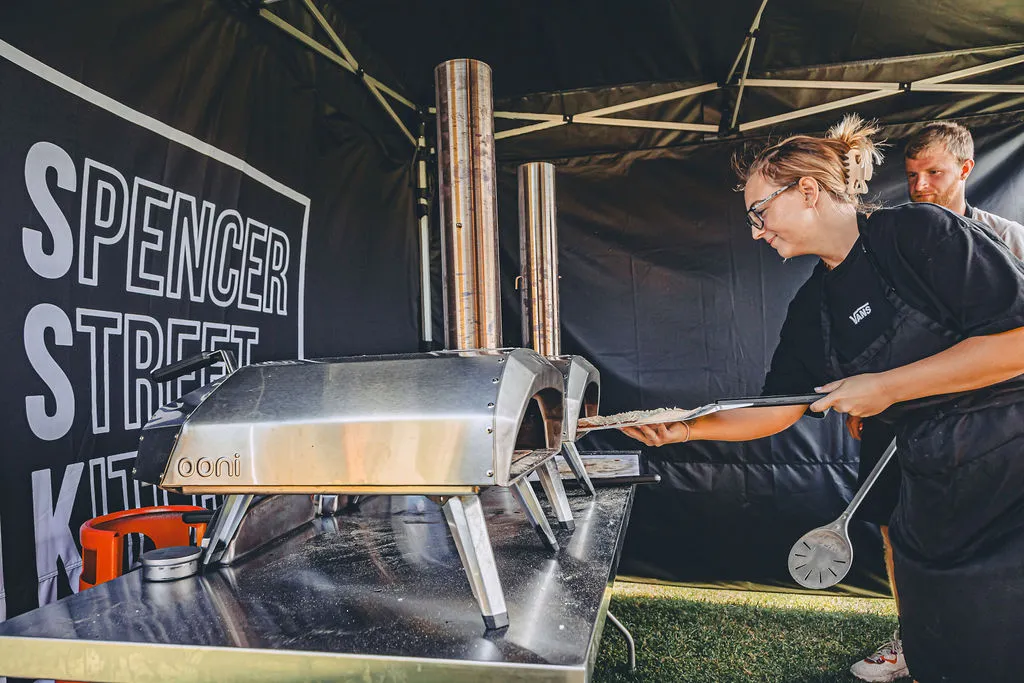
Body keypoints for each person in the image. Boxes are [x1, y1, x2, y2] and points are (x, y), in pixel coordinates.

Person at [622, 115, 1024, 683]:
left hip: (1010, 478)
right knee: (947, 649)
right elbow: (778, 409)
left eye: (759, 212)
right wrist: (686, 427)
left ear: (807, 191)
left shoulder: (917, 232)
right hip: (933, 491)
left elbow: (1017, 343)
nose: (757, 232)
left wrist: (885, 387)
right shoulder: (813, 305)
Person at [847, 120, 1024, 683]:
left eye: (935, 173)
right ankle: (913, 639)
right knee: (896, 527)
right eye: (913, 174)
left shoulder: (1009, 240)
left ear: (966, 170)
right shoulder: (887, 241)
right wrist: (864, 396)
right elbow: (866, 331)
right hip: (901, 419)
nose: (920, 185)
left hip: (990, 430)